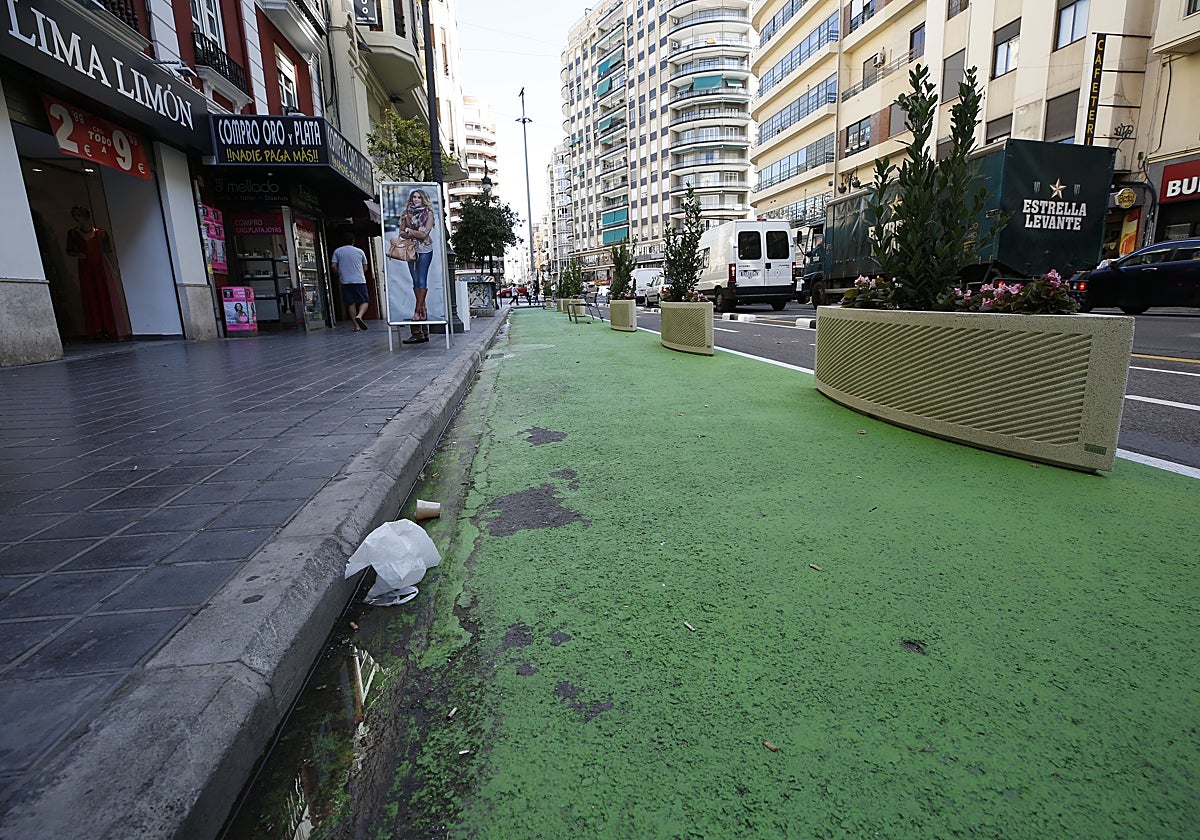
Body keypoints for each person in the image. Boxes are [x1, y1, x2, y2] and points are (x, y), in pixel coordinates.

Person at [65, 205, 121, 341]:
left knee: (104, 295)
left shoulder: (101, 234)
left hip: (100, 267)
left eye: (79, 215)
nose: (77, 219)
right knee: (90, 296)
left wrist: (114, 268)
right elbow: (69, 250)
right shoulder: (73, 233)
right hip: (86, 269)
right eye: (75, 216)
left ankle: (108, 327)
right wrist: (78, 254)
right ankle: (96, 329)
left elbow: (108, 251)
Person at [396, 188, 436, 344]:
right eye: (414, 197)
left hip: (425, 250)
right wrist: (414, 231)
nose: (416, 199)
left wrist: (410, 231)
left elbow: (425, 234)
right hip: (411, 250)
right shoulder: (406, 214)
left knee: (421, 281)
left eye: (419, 197)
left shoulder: (429, 214)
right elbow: (401, 233)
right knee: (415, 284)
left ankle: (416, 314)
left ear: (423, 199)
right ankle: (423, 316)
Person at [330, 231, 371, 331]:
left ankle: (356, 326)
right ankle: (360, 316)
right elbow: (365, 267)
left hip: (345, 281)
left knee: (350, 303)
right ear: (353, 241)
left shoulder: (337, 251)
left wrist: (339, 274)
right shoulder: (360, 251)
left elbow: (333, 266)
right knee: (365, 301)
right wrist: (360, 273)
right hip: (359, 280)